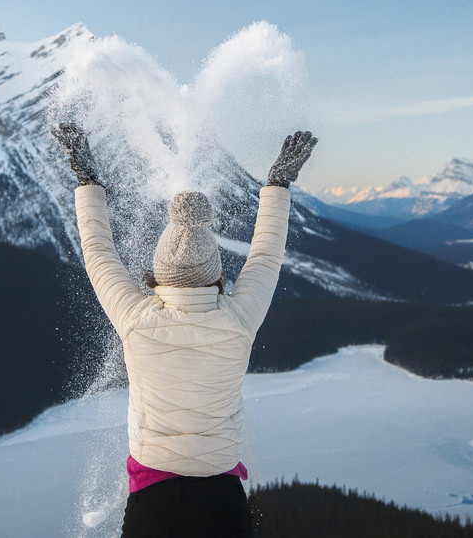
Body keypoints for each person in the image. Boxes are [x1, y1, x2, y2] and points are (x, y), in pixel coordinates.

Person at [53, 124, 317, 537]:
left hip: (152, 505)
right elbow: (266, 254)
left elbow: (98, 253)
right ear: (216, 275)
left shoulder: (136, 321)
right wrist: (278, 183)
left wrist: (87, 181)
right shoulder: (237, 320)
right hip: (222, 504)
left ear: (158, 274)